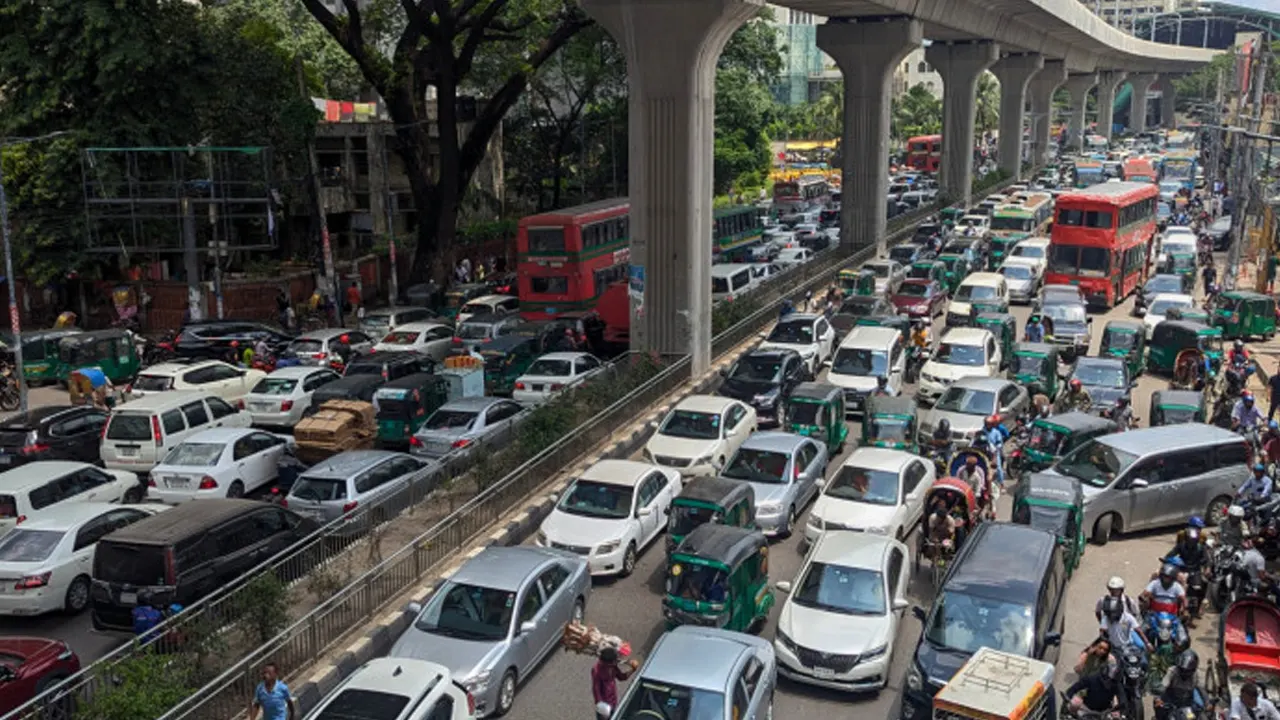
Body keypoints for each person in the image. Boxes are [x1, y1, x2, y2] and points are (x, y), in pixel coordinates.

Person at [1154, 650, 1204, 720]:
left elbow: (1201, 689)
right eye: (1182, 669)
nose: (1184, 672)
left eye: (1187, 671)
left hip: (1187, 702)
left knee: (1200, 710)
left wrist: (1208, 702)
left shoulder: (1196, 675)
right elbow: (1163, 685)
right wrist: (1158, 698)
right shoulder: (1172, 671)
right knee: (1159, 707)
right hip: (1171, 700)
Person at [592, 646, 637, 720]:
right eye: (612, 663)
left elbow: (622, 677)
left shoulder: (613, 666)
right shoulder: (596, 670)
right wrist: (602, 707)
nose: (614, 664)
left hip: (613, 701)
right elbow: (596, 689)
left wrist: (632, 670)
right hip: (604, 705)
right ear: (605, 662)